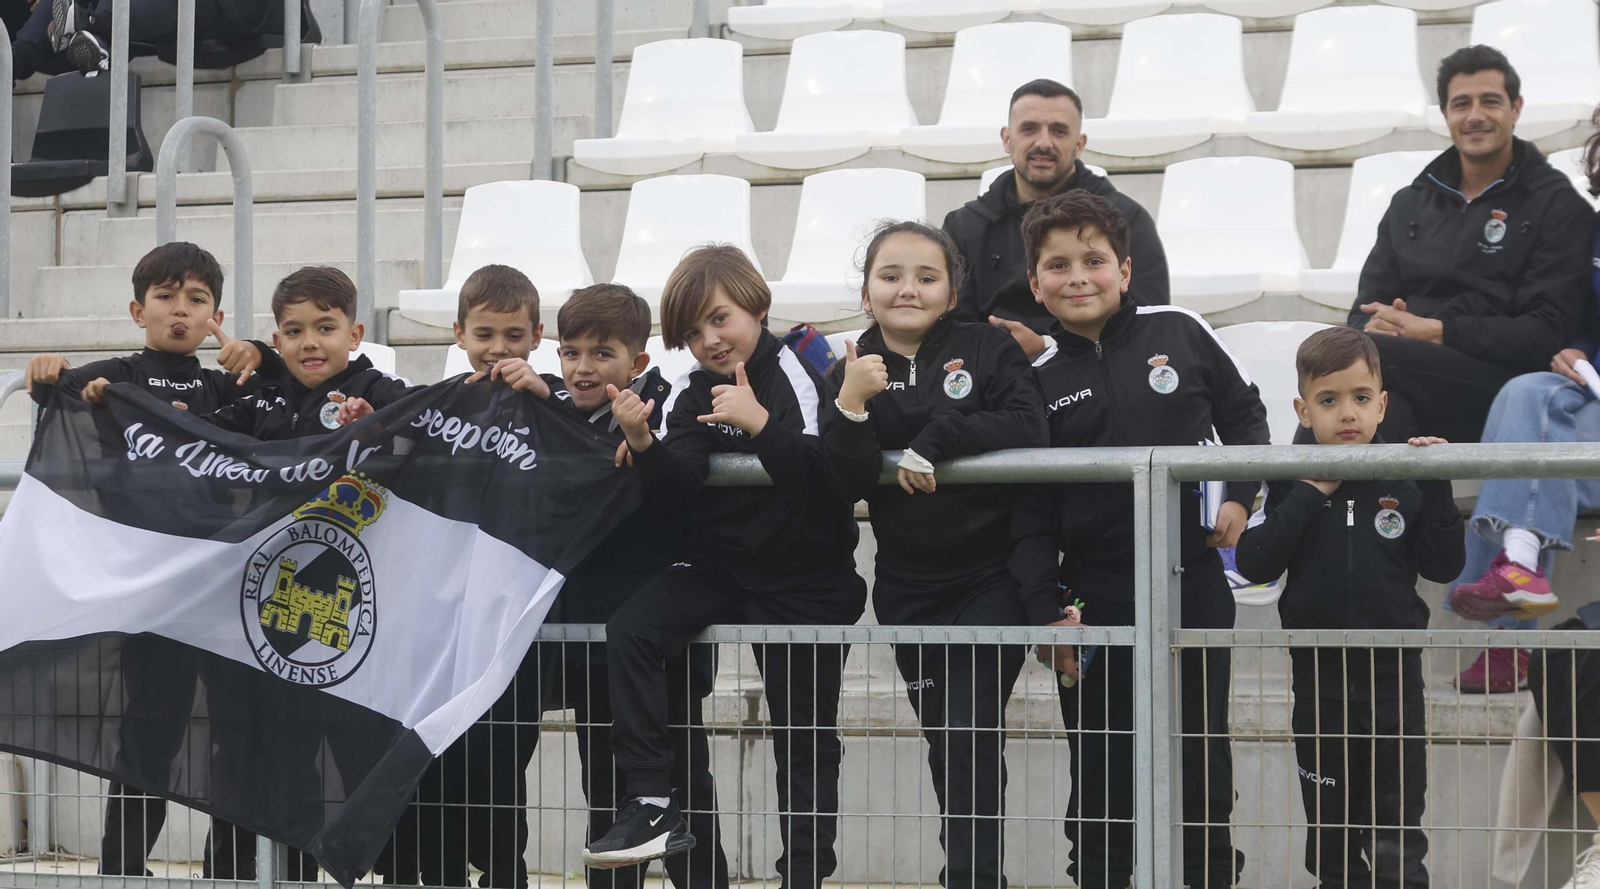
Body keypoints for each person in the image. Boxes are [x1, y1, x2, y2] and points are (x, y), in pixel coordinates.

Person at [583, 245, 868, 886]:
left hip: (806, 579)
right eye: (691, 332)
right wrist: (643, 443)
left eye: (719, 319)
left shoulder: (796, 374)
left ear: (758, 309)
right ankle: (653, 801)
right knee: (631, 630)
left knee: (802, 738)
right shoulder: (691, 390)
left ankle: (803, 873)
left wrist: (760, 425)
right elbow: (680, 485)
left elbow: (828, 484)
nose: (709, 340)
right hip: (721, 566)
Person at [1009, 191, 1268, 889]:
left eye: (1094, 260)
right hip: (1092, 603)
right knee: (1100, 772)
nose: (1078, 277)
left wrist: (1242, 496)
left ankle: (1209, 877)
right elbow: (1029, 514)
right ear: (1036, 284)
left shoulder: (1180, 331)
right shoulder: (1033, 383)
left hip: (1195, 585)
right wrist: (1045, 609)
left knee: (1200, 761)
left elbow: (1246, 415)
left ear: (1125, 269)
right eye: (1058, 265)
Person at [22, 240, 276, 878]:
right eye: (166, 297)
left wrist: (263, 355)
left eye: (198, 299)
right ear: (139, 311)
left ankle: (233, 873)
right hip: (153, 594)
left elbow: (299, 394)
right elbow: (54, 392)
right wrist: (45, 372)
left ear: (215, 312)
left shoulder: (230, 383)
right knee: (150, 738)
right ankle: (122, 872)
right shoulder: (117, 379)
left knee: (239, 737)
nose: (181, 310)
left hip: (224, 590)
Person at [820, 221, 1046, 889]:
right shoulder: (850, 365)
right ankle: (975, 874)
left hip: (990, 575)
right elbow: (845, 480)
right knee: (949, 737)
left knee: (970, 726)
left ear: (952, 292)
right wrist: (853, 404)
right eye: (891, 275)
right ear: (867, 291)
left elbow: (1031, 423)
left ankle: (970, 877)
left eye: (927, 276)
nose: (908, 288)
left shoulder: (987, 347)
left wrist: (944, 434)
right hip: (907, 588)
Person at [200, 265, 413, 880]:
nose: (310, 342)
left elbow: (432, 430)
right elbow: (190, 441)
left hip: (354, 626)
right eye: (292, 331)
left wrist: (380, 422)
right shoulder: (260, 398)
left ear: (356, 331)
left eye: (325, 326)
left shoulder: (380, 389)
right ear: (277, 337)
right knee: (275, 763)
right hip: (267, 623)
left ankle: (397, 873)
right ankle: (272, 877)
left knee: (363, 762)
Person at [1234, 327, 1465, 889]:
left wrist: (1436, 486)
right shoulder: (1291, 480)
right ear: (1303, 409)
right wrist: (1314, 492)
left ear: (1381, 404)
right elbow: (1255, 562)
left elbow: (1443, 566)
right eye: (1328, 400)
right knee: (1333, 837)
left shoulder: (1404, 477)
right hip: (1319, 680)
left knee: (1397, 832)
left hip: (1394, 681)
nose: (1347, 415)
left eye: (1361, 398)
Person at [1346, 45, 1593, 445]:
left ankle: (1279, 502)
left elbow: (1547, 332)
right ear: (1445, 114)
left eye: (1490, 102)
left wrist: (1439, 332)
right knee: (1372, 401)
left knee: (1354, 362)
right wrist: (1377, 325)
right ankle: (1423, 511)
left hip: (1499, 385)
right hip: (1404, 374)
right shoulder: (1409, 202)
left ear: (1516, 108)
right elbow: (1362, 311)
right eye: (1461, 104)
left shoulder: (1557, 205)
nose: (1475, 115)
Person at [1441, 106, 1600, 693]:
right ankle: (1519, 569)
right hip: (1590, 402)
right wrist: (1575, 351)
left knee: (1527, 447)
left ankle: (1510, 637)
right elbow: (1583, 321)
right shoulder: (1593, 231)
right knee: (1525, 396)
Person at [942, 78, 1169, 361]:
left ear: (1079, 144)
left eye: (1059, 131)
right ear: (1007, 139)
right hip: (993, 379)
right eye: (1029, 129)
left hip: (1097, 373)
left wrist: (1048, 347)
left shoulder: (1126, 218)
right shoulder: (964, 227)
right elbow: (950, 325)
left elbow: (1149, 321)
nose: (1044, 142)